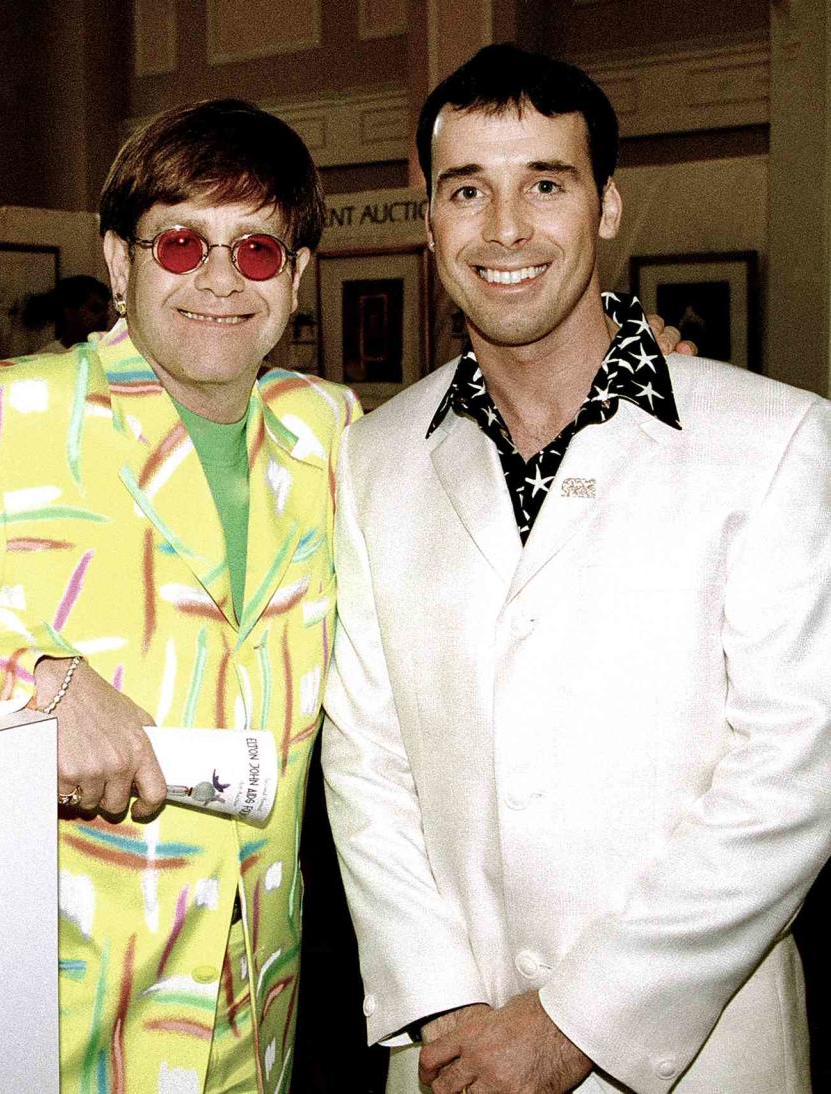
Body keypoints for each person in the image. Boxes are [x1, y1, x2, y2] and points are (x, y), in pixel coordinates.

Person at [321, 43, 831, 1094]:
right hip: (450, 1055)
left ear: (605, 205)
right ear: (429, 223)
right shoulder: (375, 456)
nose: (505, 229)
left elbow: (795, 772)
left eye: (544, 184)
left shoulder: (776, 441)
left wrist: (575, 1019)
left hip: (694, 1053)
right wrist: (446, 1004)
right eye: (468, 190)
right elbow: (366, 760)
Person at [0, 98, 359, 1092]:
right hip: (50, 1015)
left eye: (257, 251)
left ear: (298, 277)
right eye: (181, 242)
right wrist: (43, 681)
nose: (219, 279)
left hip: (253, 1006)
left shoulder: (329, 433)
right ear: (119, 260)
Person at [35, 274, 113, 353]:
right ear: (70, 312)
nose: (105, 316)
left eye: (106, 310)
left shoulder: (110, 352)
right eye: (95, 309)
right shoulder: (45, 358)